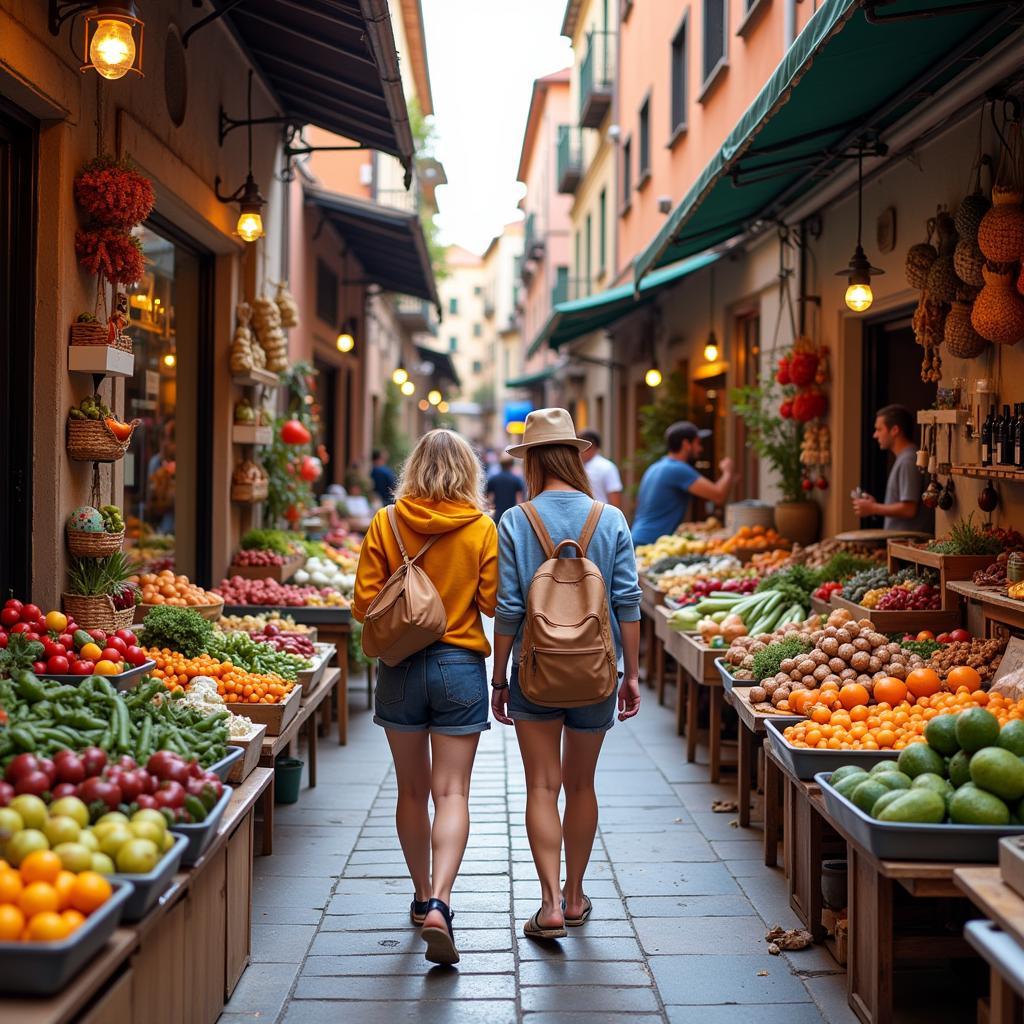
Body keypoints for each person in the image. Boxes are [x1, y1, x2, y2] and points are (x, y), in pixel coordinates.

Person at [490, 408, 642, 940]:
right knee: (581, 785)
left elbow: (509, 606)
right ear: (576, 456)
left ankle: (549, 903)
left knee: (541, 786)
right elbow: (627, 602)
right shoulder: (610, 519)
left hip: (534, 671)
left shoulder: (515, 519)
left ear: (531, 459)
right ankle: (577, 897)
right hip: (597, 673)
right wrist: (632, 674)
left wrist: (499, 677)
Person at [353, 430, 498, 966]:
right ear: (469, 472)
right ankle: (442, 899)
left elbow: (363, 604)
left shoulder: (386, 523)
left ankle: (419, 897)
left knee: (411, 791)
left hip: (399, 668)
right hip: (459, 666)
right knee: (453, 791)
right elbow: (490, 600)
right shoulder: (482, 527)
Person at [631, 421, 735, 546]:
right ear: (686, 444)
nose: (700, 448)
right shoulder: (678, 469)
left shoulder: (656, 467)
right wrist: (728, 472)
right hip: (651, 542)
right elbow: (718, 495)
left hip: (641, 537)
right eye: (698, 443)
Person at [852, 404, 933, 533]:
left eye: (879, 429)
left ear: (895, 430)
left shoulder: (908, 460)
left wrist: (873, 508)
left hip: (907, 545)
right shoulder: (905, 457)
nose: (875, 435)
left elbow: (909, 509)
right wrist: (874, 505)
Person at [579, 429, 623, 507]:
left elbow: (615, 499)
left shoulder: (607, 467)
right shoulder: (579, 466)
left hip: (601, 516)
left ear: (589, 447)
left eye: (579, 447)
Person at [486, 455, 524, 522]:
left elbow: (490, 499)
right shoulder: (516, 480)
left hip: (497, 515)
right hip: (511, 515)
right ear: (511, 465)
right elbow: (519, 501)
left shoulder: (493, 479)